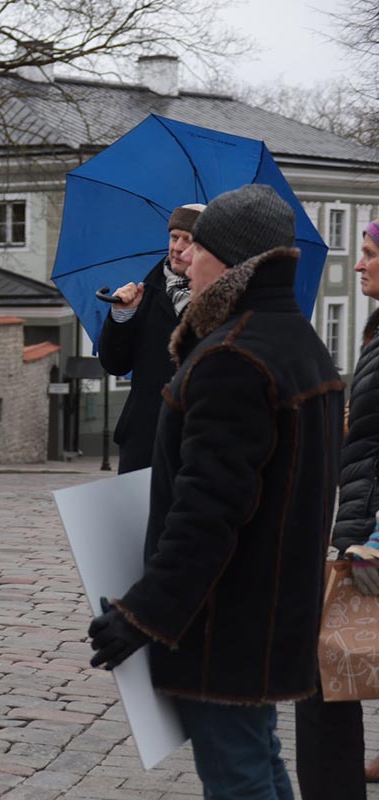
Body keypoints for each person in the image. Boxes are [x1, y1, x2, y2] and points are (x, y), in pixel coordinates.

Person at [87, 184, 344, 798]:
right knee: (257, 759)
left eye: (195, 247)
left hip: (225, 619)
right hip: (273, 607)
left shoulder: (233, 358)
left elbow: (208, 513)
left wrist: (143, 613)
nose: (183, 258)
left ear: (229, 261)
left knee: (237, 775)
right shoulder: (298, 343)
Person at [293, 219, 379, 800]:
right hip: (364, 526)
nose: (358, 264)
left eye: (369, 253)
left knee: (324, 673)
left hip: (372, 536)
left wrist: (363, 536)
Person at [97, 203, 204, 473]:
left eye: (188, 240)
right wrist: (122, 316)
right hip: (144, 438)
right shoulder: (146, 291)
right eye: (173, 237)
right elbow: (115, 364)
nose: (177, 247)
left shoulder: (221, 301)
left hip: (196, 438)